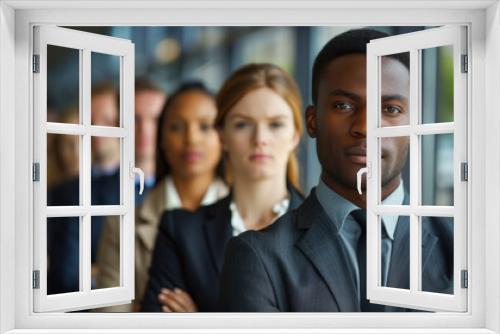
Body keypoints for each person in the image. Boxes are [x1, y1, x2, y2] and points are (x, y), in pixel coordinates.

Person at [219, 29, 453, 312]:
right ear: (312, 121)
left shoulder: (466, 246)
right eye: (343, 106)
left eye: (390, 109)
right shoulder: (258, 257)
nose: (365, 127)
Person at [140, 63, 305, 312]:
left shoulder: (326, 229)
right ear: (222, 136)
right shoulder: (181, 232)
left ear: (295, 134)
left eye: (275, 124)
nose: (260, 138)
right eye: (243, 124)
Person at [95, 82, 228, 312]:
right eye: (176, 127)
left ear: (223, 137)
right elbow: (109, 322)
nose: (192, 139)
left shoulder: (249, 218)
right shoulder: (121, 225)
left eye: (205, 126)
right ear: (162, 139)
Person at [134, 79, 168, 204]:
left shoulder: (187, 186)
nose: (145, 130)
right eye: (135, 119)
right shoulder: (85, 191)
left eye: (155, 120)